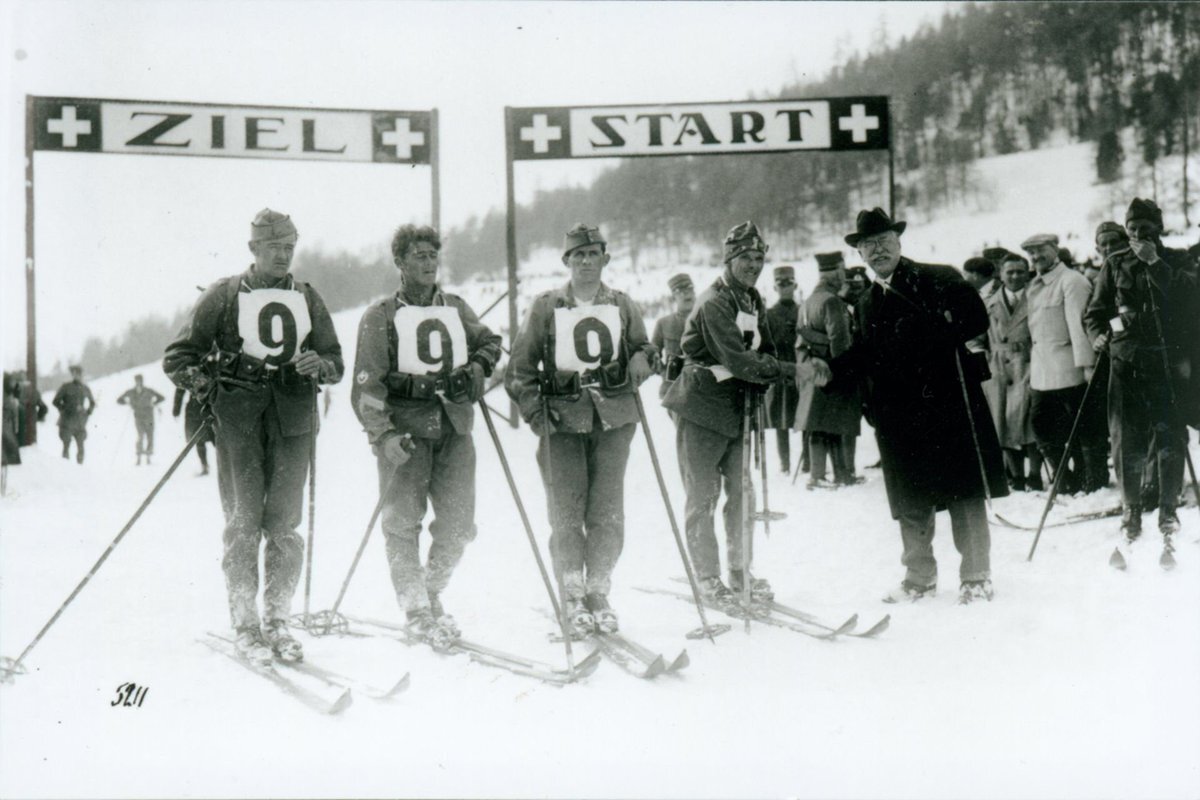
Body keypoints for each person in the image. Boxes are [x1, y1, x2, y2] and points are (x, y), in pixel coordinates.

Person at [163, 208, 343, 665]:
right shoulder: (224, 295)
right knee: (243, 523)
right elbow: (178, 357)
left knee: (284, 525)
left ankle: (277, 620)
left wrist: (319, 365)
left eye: (289, 248)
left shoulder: (306, 295)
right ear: (253, 249)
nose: (282, 256)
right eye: (273, 248)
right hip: (239, 420)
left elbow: (335, 360)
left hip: (294, 419)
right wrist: (208, 386)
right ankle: (245, 623)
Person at [844, 208, 1007, 605]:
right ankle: (919, 578)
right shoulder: (866, 301)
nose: (877, 250)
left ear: (899, 242)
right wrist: (834, 374)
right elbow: (864, 355)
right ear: (860, 253)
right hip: (899, 414)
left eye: (884, 241)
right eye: (869, 245)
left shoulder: (938, 277)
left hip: (947, 403)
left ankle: (976, 575)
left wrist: (932, 331)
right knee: (911, 496)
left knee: (963, 491)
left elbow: (974, 319)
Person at [351, 224, 502, 642]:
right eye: (418, 255)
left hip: (454, 427)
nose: (428, 262)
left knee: (459, 523)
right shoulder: (380, 316)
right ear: (399, 262)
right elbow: (367, 385)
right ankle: (416, 607)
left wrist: (476, 367)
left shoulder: (455, 307)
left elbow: (489, 342)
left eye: (433, 255)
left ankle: (431, 591)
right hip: (406, 432)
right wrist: (382, 436)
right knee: (402, 522)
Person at [505, 223, 653, 635]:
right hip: (563, 423)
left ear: (605, 259)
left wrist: (644, 357)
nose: (587, 262)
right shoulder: (545, 306)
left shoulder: (623, 304)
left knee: (606, 512)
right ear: (567, 261)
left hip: (613, 421)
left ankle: (598, 588)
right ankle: (572, 592)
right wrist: (537, 412)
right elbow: (518, 371)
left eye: (594, 254)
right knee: (567, 513)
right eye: (578, 255)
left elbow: (644, 345)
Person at [662, 221, 797, 608]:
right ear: (729, 259)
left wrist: (764, 365)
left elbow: (765, 348)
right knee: (703, 496)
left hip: (737, 409)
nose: (753, 265)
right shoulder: (714, 302)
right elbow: (739, 360)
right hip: (702, 408)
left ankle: (740, 570)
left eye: (759, 258)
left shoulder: (752, 299)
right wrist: (780, 369)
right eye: (745, 258)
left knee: (742, 494)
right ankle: (706, 577)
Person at [1085, 198, 1200, 545]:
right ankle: (1130, 510)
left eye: (1145, 230)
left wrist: (1155, 265)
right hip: (1127, 362)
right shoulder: (1114, 263)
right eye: (1132, 229)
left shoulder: (1179, 260)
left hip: (1170, 361)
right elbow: (1096, 312)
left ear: (1159, 229)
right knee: (1126, 440)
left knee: (1170, 435)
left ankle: (1168, 508)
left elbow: (1191, 299)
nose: (1137, 236)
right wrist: (1099, 334)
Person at [1022, 233, 1099, 495]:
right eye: (1031, 253)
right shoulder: (1035, 286)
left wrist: (1087, 366)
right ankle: (1062, 477)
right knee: (1041, 424)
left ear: (1055, 249)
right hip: (1043, 371)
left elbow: (1079, 327)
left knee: (1083, 426)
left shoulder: (1072, 281)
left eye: (1041, 251)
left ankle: (1092, 478)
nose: (1035, 257)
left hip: (1070, 368)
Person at [795, 253, 860, 488]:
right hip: (832, 371)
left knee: (820, 423)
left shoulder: (808, 300)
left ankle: (825, 474)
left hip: (813, 370)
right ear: (834, 273)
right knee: (836, 423)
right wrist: (844, 370)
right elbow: (840, 342)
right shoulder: (833, 301)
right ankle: (828, 475)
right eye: (842, 271)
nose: (844, 276)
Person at [986, 253, 1043, 491]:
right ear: (1001, 274)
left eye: (1020, 271)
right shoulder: (988, 302)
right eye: (1009, 272)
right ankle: (1016, 476)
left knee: (1030, 421)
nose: (1015, 276)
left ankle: (1035, 474)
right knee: (1004, 422)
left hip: (1029, 363)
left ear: (1027, 272)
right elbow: (978, 338)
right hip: (999, 368)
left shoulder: (1036, 297)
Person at [764, 265, 801, 474]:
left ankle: (807, 464)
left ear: (795, 285)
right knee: (780, 419)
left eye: (789, 283)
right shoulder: (769, 315)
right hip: (779, 371)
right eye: (781, 284)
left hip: (800, 369)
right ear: (775, 287)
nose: (785, 287)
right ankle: (785, 464)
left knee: (805, 414)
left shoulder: (802, 310)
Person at [838, 265, 870, 478]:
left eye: (859, 285)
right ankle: (847, 467)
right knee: (849, 421)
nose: (856, 290)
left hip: (871, 372)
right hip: (851, 372)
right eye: (852, 286)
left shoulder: (870, 302)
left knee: (879, 418)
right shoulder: (839, 305)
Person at [651, 272, 695, 403]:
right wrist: (664, 372)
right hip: (673, 389)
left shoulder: (707, 319)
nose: (686, 293)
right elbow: (653, 355)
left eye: (689, 289)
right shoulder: (664, 323)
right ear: (673, 297)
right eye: (679, 291)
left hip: (702, 387)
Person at [117, 374, 165, 466]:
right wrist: (127, 403)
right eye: (137, 380)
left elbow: (161, 397)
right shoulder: (131, 392)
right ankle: (138, 457)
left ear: (142, 381)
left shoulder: (149, 391)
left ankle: (148, 458)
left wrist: (154, 403)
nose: (139, 382)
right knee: (140, 436)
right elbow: (119, 400)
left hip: (149, 416)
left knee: (150, 436)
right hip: (138, 417)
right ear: (135, 381)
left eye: (140, 380)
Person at [52, 365, 95, 464]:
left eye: (79, 374)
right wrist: (64, 409)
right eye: (75, 374)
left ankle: (80, 470)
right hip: (67, 422)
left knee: (81, 447)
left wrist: (87, 412)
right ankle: (65, 469)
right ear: (73, 375)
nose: (77, 376)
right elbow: (55, 401)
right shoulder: (66, 387)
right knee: (66, 445)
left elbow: (92, 402)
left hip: (80, 423)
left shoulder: (85, 388)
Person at [172, 386, 215, 475]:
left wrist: (176, 410)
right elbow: (180, 388)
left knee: (216, 438)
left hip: (210, 405)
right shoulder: (189, 374)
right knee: (199, 439)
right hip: (196, 410)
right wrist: (176, 409)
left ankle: (224, 464)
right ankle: (204, 465)